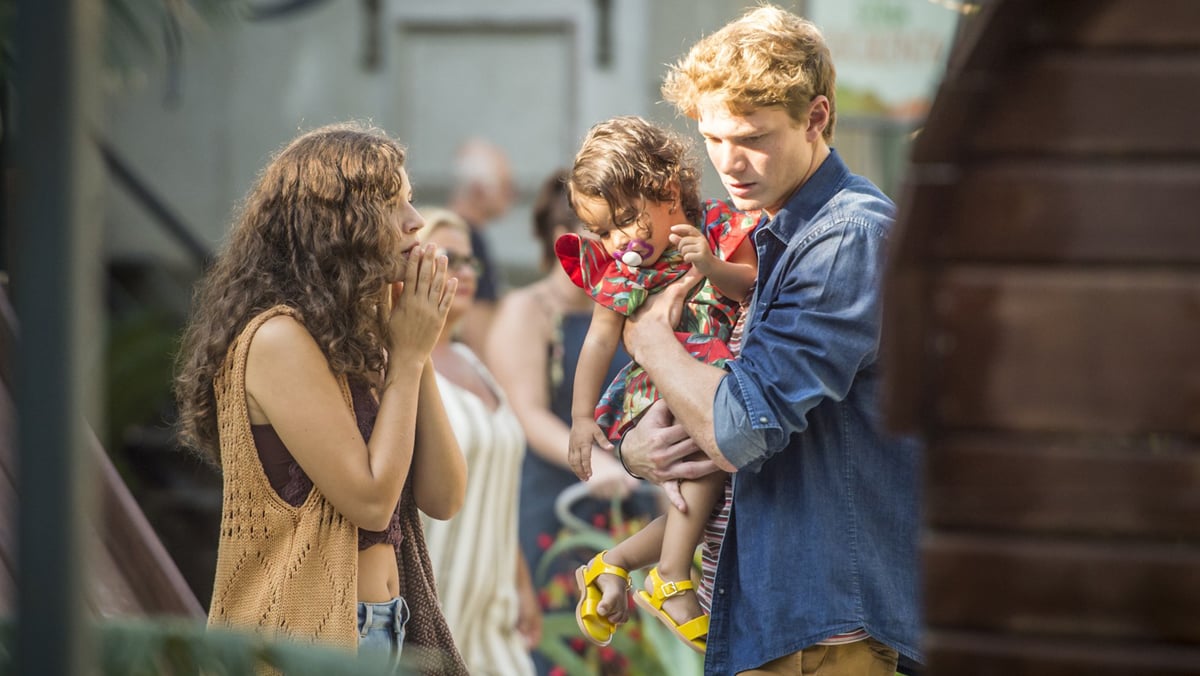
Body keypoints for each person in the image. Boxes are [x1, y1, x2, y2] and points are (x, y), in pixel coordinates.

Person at [616, 6, 922, 676]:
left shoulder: (847, 235)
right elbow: (711, 420)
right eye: (714, 138)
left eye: (753, 138)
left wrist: (650, 342)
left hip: (830, 627)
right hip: (783, 619)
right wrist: (639, 451)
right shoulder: (777, 235)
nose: (730, 163)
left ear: (816, 117)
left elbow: (740, 429)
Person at [173, 122, 469, 675]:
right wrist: (404, 359)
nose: (416, 222)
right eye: (392, 205)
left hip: (388, 625)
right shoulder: (277, 338)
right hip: (312, 640)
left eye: (411, 201)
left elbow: (445, 496)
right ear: (337, 226)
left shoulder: (359, 339)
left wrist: (416, 347)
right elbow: (371, 501)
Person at [554, 116, 758, 655]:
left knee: (705, 495)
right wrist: (580, 418)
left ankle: (613, 563)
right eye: (602, 232)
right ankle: (670, 576)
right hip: (655, 390)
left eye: (624, 220)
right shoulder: (626, 270)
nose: (617, 241)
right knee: (710, 472)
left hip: (701, 379)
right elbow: (599, 341)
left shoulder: (719, 226)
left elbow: (750, 283)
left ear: (667, 190)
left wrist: (710, 264)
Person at [488, 170, 658, 675]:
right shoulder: (527, 309)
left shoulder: (629, 307)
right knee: (566, 646)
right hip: (558, 497)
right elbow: (528, 414)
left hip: (631, 497)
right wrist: (598, 467)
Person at [415, 207, 539, 676]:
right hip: (432, 599)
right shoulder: (398, 367)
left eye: (470, 262)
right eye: (447, 257)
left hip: (494, 605)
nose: (464, 272)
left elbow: (499, 490)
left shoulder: (474, 360)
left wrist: (521, 580)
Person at [449, 137, 516, 355]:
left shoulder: (451, 232)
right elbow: (477, 325)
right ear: (478, 190)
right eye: (506, 186)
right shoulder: (468, 240)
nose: (512, 196)